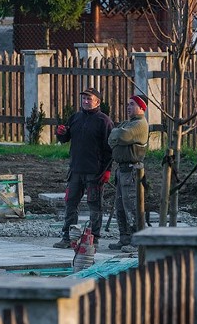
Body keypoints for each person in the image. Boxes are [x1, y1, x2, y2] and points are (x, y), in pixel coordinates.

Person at [53, 87, 113, 248]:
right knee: (70, 203)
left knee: (95, 205)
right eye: (84, 99)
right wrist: (60, 133)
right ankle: (68, 237)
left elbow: (109, 149)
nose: (86, 102)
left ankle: (93, 239)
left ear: (97, 102)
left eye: (89, 99)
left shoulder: (104, 121)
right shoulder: (75, 117)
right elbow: (65, 137)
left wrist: (107, 170)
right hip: (75, 170)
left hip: (95, 171)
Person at [107, 94, 149, 253]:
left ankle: (137, 241)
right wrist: (116, 134)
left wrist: (117, 133)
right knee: (120, 207)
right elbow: (111, 139)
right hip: (121, 170)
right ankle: (124, 238)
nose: (128, 107)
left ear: (141, 107)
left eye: (132, 104)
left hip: (132, 171)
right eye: (128, 104)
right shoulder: (128, 123)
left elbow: (122, 135)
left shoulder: (140, 124)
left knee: (132, 206)